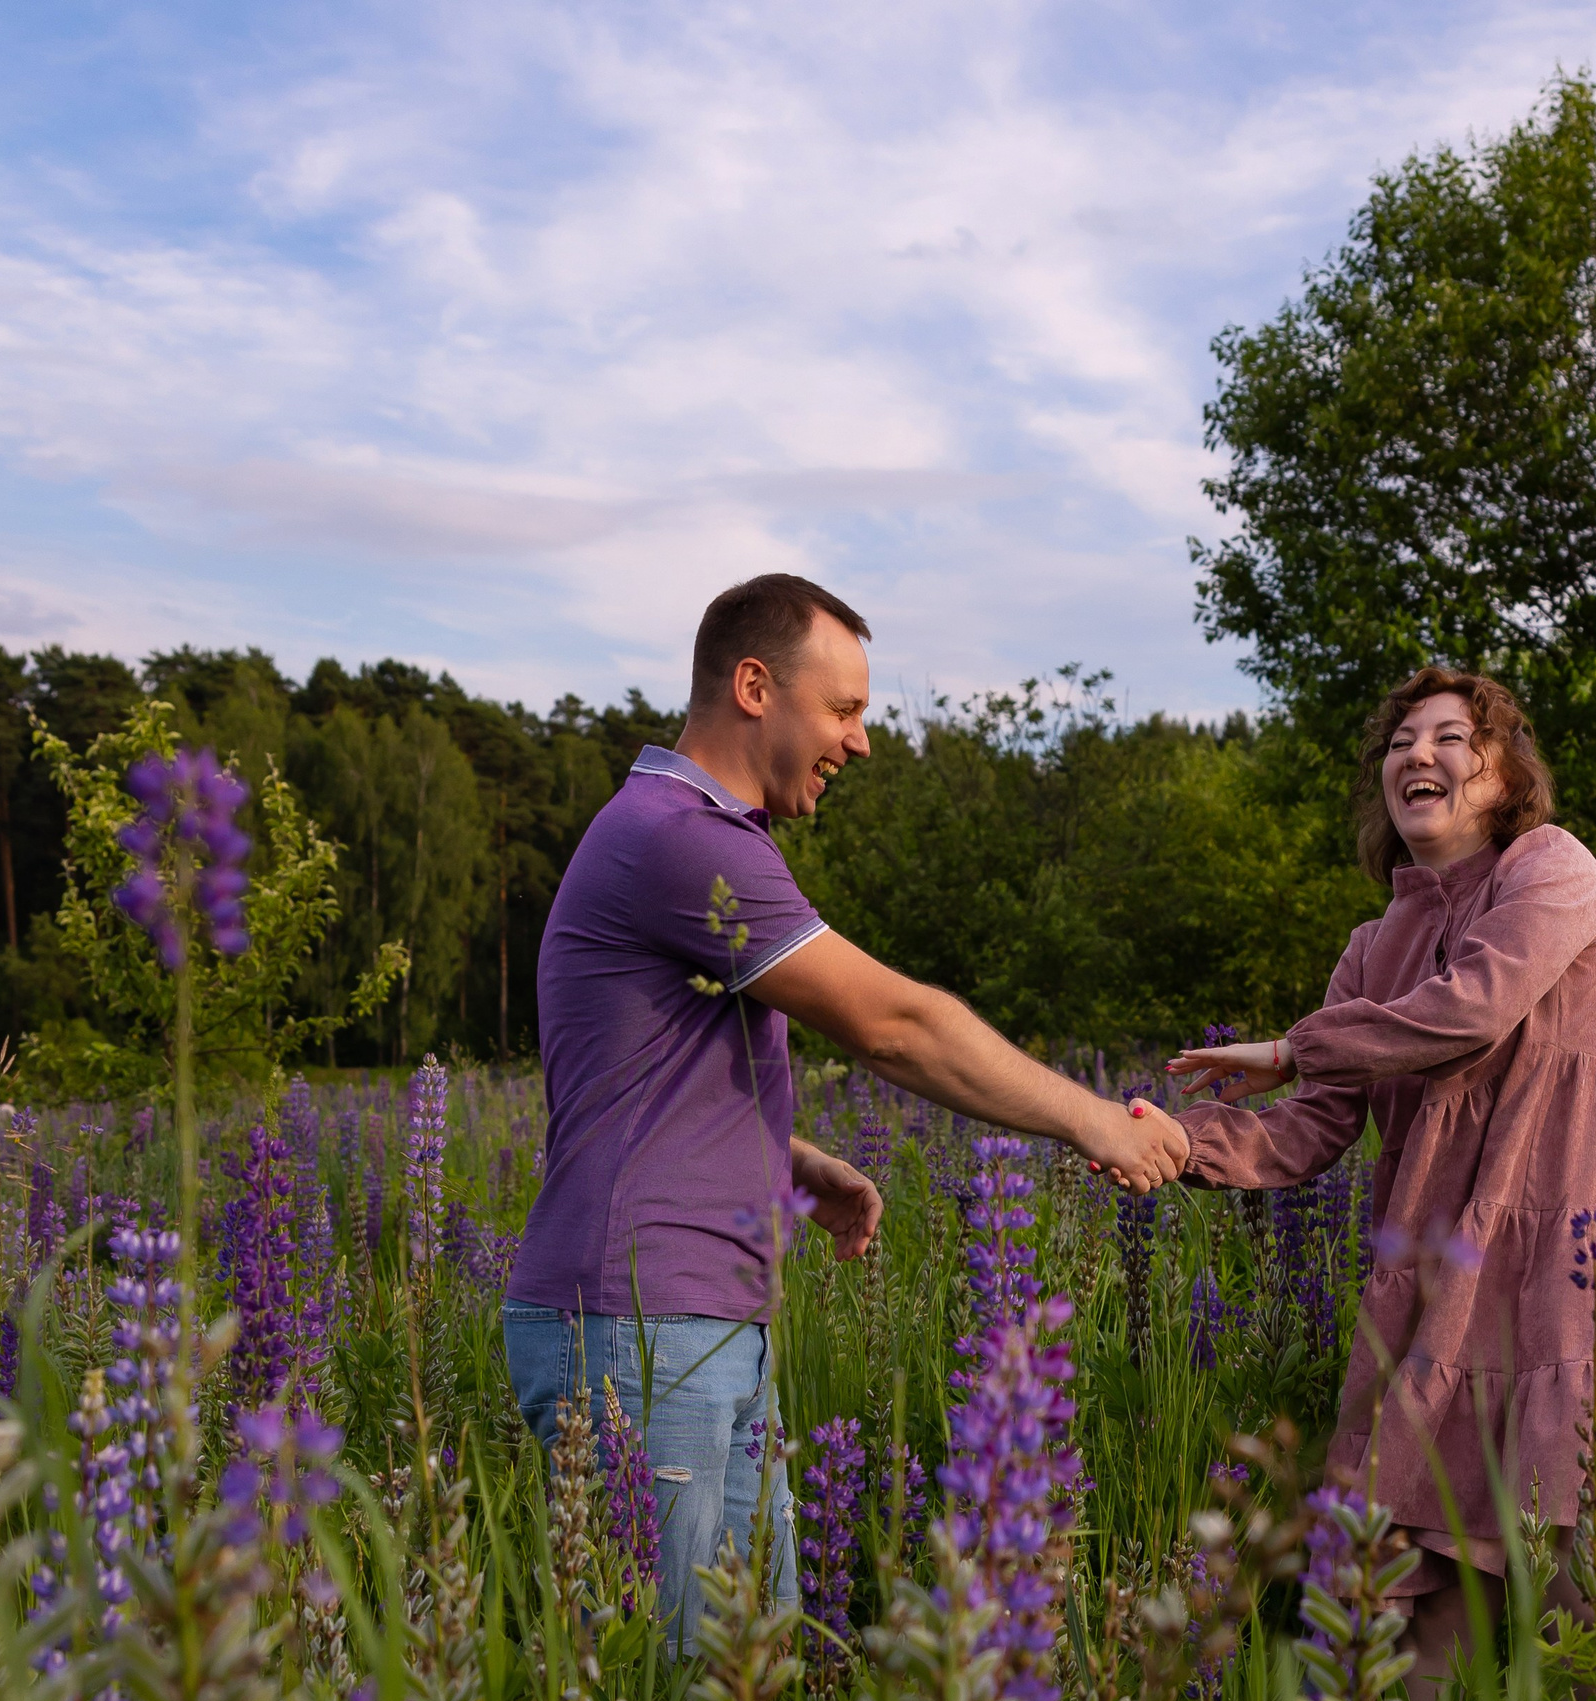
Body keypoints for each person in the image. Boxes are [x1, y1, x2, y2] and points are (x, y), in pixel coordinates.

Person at [503, 573, 1189, 1641]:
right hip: (634, 1329)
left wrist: (788, 1155)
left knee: (752, 1662)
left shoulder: (691, 835)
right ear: (753, 687)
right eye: (845, 710)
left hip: (702, 1322)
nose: (860, 743)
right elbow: (894, 1027)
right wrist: (1091, 1119)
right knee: (670, 1671)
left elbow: (627, 1071)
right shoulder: (681, 838)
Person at [1165, 666, 1596, 1701]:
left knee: (1586, 1618)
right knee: (1423, 1635)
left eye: (1452, 739)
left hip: (1570, 1278)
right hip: (1437, 1305)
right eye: (1402, 741)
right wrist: (1172, 1145)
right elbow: (1309, 1132)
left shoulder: (1554, 869)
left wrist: (1294, 1045)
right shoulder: (1371, 949)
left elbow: (1473, 1007)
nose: (1418, 756)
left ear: (1503, 774)